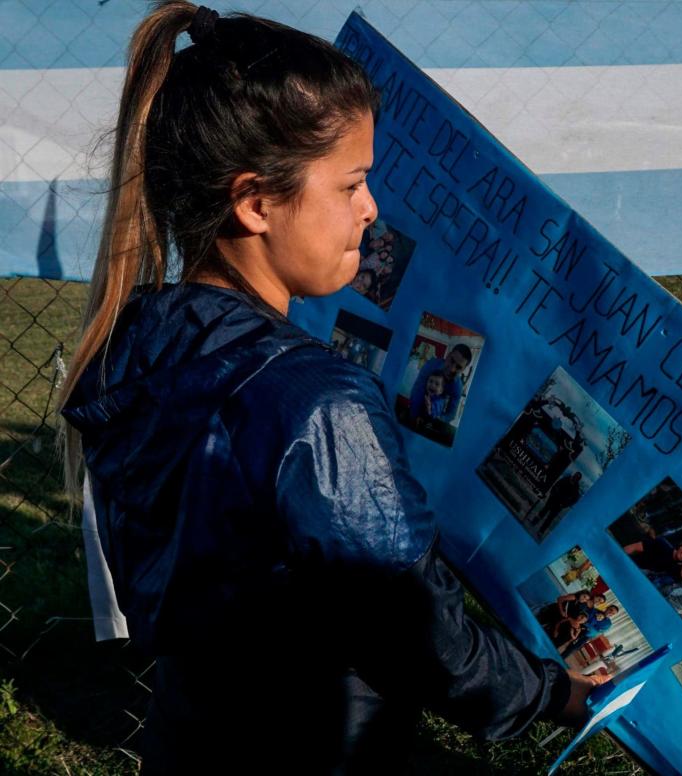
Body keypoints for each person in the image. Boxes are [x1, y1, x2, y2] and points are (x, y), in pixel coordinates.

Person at [57, 4, 598, 772]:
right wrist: (550, 693)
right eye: (351, 184)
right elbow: (414, 628)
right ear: (254, 201)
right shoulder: (316, 402)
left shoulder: (135, 350)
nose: (371, 209)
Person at [409, 343, 473, 421]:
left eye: (458, 367)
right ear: (448, 355)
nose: (452, 369)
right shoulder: (430, 365)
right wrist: (413, 418)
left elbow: (451, 414)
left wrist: (436, 420)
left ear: (463, 370)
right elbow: (417, 392)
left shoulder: (457, 387)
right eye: (452, 361)